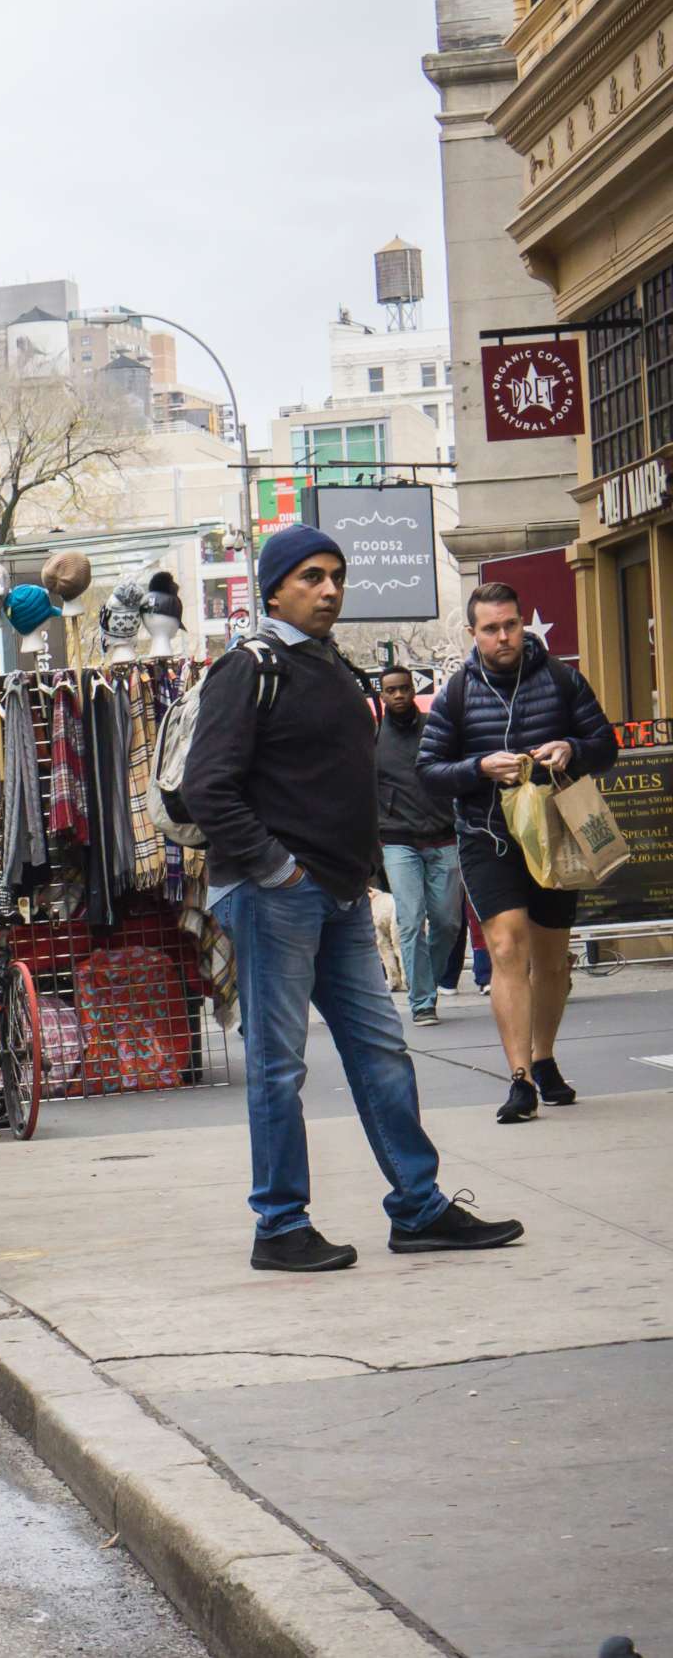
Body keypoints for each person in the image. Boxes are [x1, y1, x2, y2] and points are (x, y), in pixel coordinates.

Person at [179, 525, 523, 1272]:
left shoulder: (329, 662)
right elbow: (209, 785)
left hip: (336, 893)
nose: (330, 588)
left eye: (336, 575)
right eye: (311, 576)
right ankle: (278, 1225)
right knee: (278, 1067)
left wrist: (355, 870)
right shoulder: (250, 668)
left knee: (381, 1051)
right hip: (276, 895)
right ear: (274, 588)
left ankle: (420, 1208)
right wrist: (279, 869)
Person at [417, 580, 619, 1124]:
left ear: (523, 623)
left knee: (552, 958)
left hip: (555, 835)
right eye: (490, 629)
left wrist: (570, 748)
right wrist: (478, 767)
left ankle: (544, 1056)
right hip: (488, 836)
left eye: (511, 625)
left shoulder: (562, 679)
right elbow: (429, 772)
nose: (503, 636)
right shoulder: (456, 693)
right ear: (472, 632)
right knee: (507, 948)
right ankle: (520, 1079)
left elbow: (606, 746)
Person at [372, 666, 462, 1028]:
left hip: (443, 835)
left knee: (447, 922)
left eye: (403, 689)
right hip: (397, 842)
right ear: (382, 695)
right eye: (391, 690)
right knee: (409, 921)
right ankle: (422, 1000)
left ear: (413, 690)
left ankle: (428, 979)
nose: (398, 695)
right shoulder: (373, 739)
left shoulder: (436, 730)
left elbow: (458, 770)